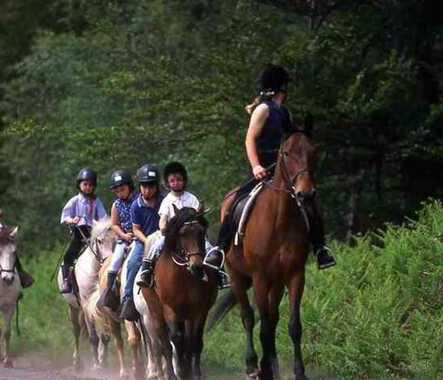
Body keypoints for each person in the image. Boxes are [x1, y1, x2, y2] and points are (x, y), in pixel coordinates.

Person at [217, 64, 336, 269]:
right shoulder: (263, 110)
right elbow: (249, 140)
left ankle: (320, 249)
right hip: (262, 169)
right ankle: (219, 250)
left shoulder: (285, 113)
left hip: (284, 170)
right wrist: (255, 166)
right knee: (235, 203)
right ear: (281, 88)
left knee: (310, 204)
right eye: (286, 87)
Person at [136, 162, 227, 290]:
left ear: (184, 180)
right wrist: (163, 228)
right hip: (173, 234)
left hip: (191, 233)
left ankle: (221, 275)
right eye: (172, 181)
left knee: (210, 248)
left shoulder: (192, 198)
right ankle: (146, 272)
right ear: (168, 183)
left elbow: (198, 216)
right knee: (155, 247)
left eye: (179, 180)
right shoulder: (167, 200)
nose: (176, 183)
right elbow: (163, 217)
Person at [118, 163, 163, 321]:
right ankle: (128, 299)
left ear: (157, 186)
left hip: (163, 239)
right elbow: (135, 229)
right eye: (144, 186)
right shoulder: (136, 205)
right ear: (139, 186)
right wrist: (147, 241)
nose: (147, 190)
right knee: (132, 264)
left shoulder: (164, 201)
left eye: (151, 186)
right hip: (143, 241)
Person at [59, 167, 107, 294]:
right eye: (85, 184)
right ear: (79, 184)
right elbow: (65, 215)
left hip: (93, 232)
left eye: (90, 185)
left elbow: (103, 217)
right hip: (79, 232)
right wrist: (71, 220)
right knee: (69, 255)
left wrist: (103, 225)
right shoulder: (75, 200)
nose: (87, 187)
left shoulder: (96, 201)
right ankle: (66, 280)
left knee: (106, 251)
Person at [97, 170, 137, 319]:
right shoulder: (116, 205)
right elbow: (114, 225)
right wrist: (124, 235)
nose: (120, 193)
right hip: (123, 239)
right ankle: (109, 292)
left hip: (140, 237)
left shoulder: (139, 200)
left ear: (129, 187)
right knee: (114, 264)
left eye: (123, 189)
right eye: (117, 191)